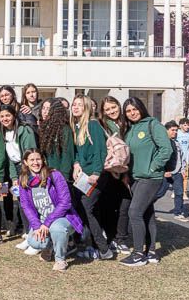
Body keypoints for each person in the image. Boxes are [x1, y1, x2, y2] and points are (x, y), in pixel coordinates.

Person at [121, 97, 172, 267]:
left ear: (141, 108)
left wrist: (153, 167)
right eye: (128, 111)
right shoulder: (130, 129)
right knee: (147, 214)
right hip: (135, 178)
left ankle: (137, 254)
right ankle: (151, 252)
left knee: (134, 212)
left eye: (134, 109)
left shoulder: (153, 124)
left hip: (150, 178)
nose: (132, 113)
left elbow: (166, 149)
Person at [19, 149, 84, 272]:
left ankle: (60, 259)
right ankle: (48, 248)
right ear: (26, 162)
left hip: (63, 218)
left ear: (43, 160)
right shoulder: (24, 180)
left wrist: (47, 223)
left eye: (38, 159)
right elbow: (26, 206)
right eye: (31, 160)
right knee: (34, 242)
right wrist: (37, 225)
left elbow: (66, 202)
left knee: (57, 228)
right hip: (42, 221)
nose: (35, 163)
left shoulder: (54, 175)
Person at [70, 94, 112, 260]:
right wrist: (76, 163)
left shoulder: (93, 125)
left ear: (86, 107)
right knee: (85, 207)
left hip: (95, 176)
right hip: (83, 175)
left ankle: (103, 248)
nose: (75, 107)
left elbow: (100, 151)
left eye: (79, 105)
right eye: (74, 104)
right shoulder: (79, 126)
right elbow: (79, 152)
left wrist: (96, 173)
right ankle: (91, 244)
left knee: (87, 207)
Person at [0, 104, 37, 248]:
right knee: (23, 203)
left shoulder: (24, 130)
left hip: (28, 168)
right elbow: (10, 157)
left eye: (8, 115)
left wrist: (25, 174)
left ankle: (34, 236)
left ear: (14, 116)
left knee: (30, 203)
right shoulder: (4, 132)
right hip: (16, 168)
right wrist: (14, 177)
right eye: (2, 116)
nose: (5, 118)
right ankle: (28, 233)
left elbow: (31, 154)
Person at [97, 96, 132, 254]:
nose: (112, 111)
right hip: (111, 170)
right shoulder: (104, 125)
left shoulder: (128, 123)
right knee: (110, 206)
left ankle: (121, 238)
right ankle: (111, 237)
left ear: (119, 105)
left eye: (114, 107)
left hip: (128, 169)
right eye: (107, 109)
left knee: (124, 207)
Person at [159, 121, 188, 222]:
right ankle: (145, 207)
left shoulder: (177, 143)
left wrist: (183, 169)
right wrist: (163, 171)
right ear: (166, 130)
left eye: (176, 130)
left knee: (179, 193)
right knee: (160, 193)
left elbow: (182, 157)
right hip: (166, 173)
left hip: (177, 172)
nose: (175, 132)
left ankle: (178, 213)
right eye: (172, 130)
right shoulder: (161, 143)